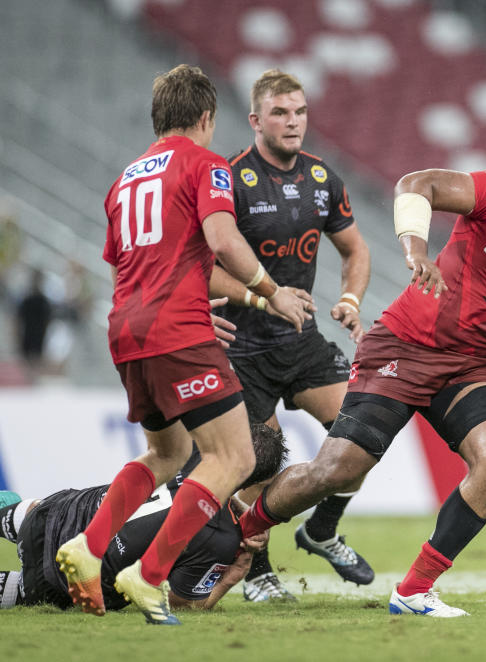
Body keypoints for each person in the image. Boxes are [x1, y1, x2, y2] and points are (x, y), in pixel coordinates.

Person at [239, 145, 486, 617]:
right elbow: (416, 184)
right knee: (337, 471)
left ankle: (414, 590)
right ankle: (243, 527)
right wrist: (417, 251)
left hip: (470, 366)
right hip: (405, 345)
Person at [55, 64, 311, 626]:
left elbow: (142, 263)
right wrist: (272, 291)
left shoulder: (124, 180)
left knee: (167, 454)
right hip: (176, 330)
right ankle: (148, 576)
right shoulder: (205, 164)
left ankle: (89, 546)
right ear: (206, 118)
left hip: (126, 329)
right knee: (235, 456)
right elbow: (222, 239)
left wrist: (216, 304)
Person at [208, 69, 374, 601]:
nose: (293, 122)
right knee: (258, 463)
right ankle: (257, 573)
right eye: (280, 113)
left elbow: (357, 250)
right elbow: (201, 264)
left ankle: (321, 529)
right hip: (242, 347)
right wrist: (260, 296)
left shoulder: (322, 179)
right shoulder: (229, 177)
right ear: (256, 120)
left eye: (299, 111)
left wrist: (349, 300)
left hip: (300, 342)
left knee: (365, 434)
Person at [0, 424, 286, 612]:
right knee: (28, 593)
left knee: (19, 507)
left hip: (48, 514)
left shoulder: (189, 448)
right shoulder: (223, 537)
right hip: (55, 580)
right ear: (251, 481)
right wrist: (232, 576)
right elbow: (182, 603)